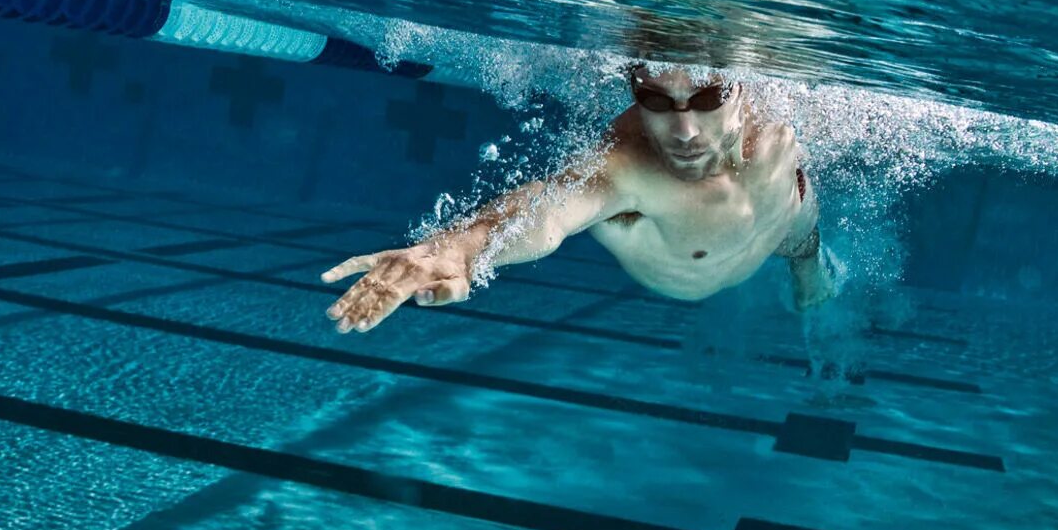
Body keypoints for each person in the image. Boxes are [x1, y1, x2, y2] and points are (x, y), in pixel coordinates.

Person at [323, 62, 838, 333]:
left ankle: (806, 268)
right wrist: (462, 247)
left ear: (742, 88)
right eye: (655, 100)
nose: (684, 131)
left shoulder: (779, 118)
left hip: (792, 235)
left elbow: (792, 195)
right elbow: (550, 208)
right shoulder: (627, 164)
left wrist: (806, 259)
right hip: (691, 284)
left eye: (708, 98)